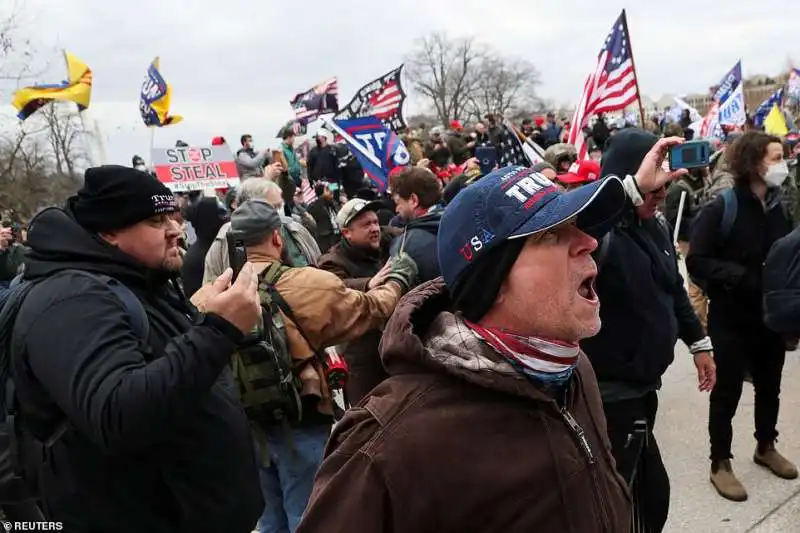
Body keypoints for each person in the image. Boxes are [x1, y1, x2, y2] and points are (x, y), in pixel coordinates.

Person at [296, 138, 686, 533]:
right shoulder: (389, 444)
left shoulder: (573, 368)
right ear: (494, 282)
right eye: (551, 235)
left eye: (578, 228)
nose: (587, 242)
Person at [7, 166, 263, 532]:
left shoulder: (140, 279)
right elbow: (117, 413)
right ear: (110, 231)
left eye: (174, 216)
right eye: (157, 220)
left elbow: (162, 365)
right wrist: (219, 329)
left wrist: (200, 316)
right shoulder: (71, 299)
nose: (176, 229)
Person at [193, 200, 417, 533]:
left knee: (269, 521)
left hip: (245, 423)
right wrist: (399, 277)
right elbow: (373, 309)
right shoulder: (310, 284)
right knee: (309, 514)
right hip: (302, 416)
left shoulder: (207, 298)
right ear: (277, 237)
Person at [581, 129, 715, 532]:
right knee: (626, 498)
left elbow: (673, 288)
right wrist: (629, 193)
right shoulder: (593, 233)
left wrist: (698, 343)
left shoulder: (653, 227)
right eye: (650, 187)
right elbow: (586, 232)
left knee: (648, 495)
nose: (659, 195)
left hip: (644, 388)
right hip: (609, 395)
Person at [687, 131, 796, 502]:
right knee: (727, 392)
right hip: (731, 318)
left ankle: (765, 445)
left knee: (770, 386)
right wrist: (736, 277)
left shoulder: (780, 207)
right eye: (775, 157)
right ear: (753, 163)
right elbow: (696, 261)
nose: (782, 164)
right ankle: (720, 463)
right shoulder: (723, 207)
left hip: (770, 319)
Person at [318, 198, 397, 403]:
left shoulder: (388, 238)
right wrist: (368, 284)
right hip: (362, 356)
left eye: (375, 222)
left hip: (396, 348)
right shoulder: (332, 261)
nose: (374, 229)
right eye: (365, 225)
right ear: (346, 233)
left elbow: (411, 234)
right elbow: (333, 288)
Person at [203, 178, 320, 287]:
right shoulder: (223, 240)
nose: (279, 211)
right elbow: (210, 291)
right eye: (274, 206)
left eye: (279, 206)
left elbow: (318, 265)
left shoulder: (294, 229)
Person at [388, 167, 443, 283]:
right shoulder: (461, 220)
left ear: (413, 200)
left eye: (398, 202)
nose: (397, 209)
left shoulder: (404, 247)